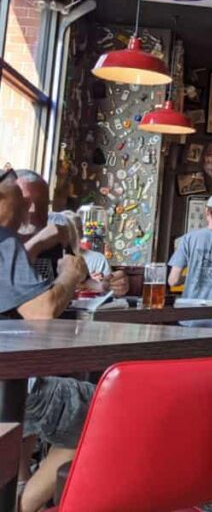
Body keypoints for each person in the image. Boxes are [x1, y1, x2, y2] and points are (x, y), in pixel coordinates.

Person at [0, 170, 127, 512]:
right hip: (12, 383)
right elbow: (42, 311)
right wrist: (69, 276)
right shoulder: (4, 242)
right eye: (24, 200)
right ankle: (23, 506)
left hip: (23, 375)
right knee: (110, 407)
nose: (32, 211)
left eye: (39, 205)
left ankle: (20, 495)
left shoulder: (23, 243)